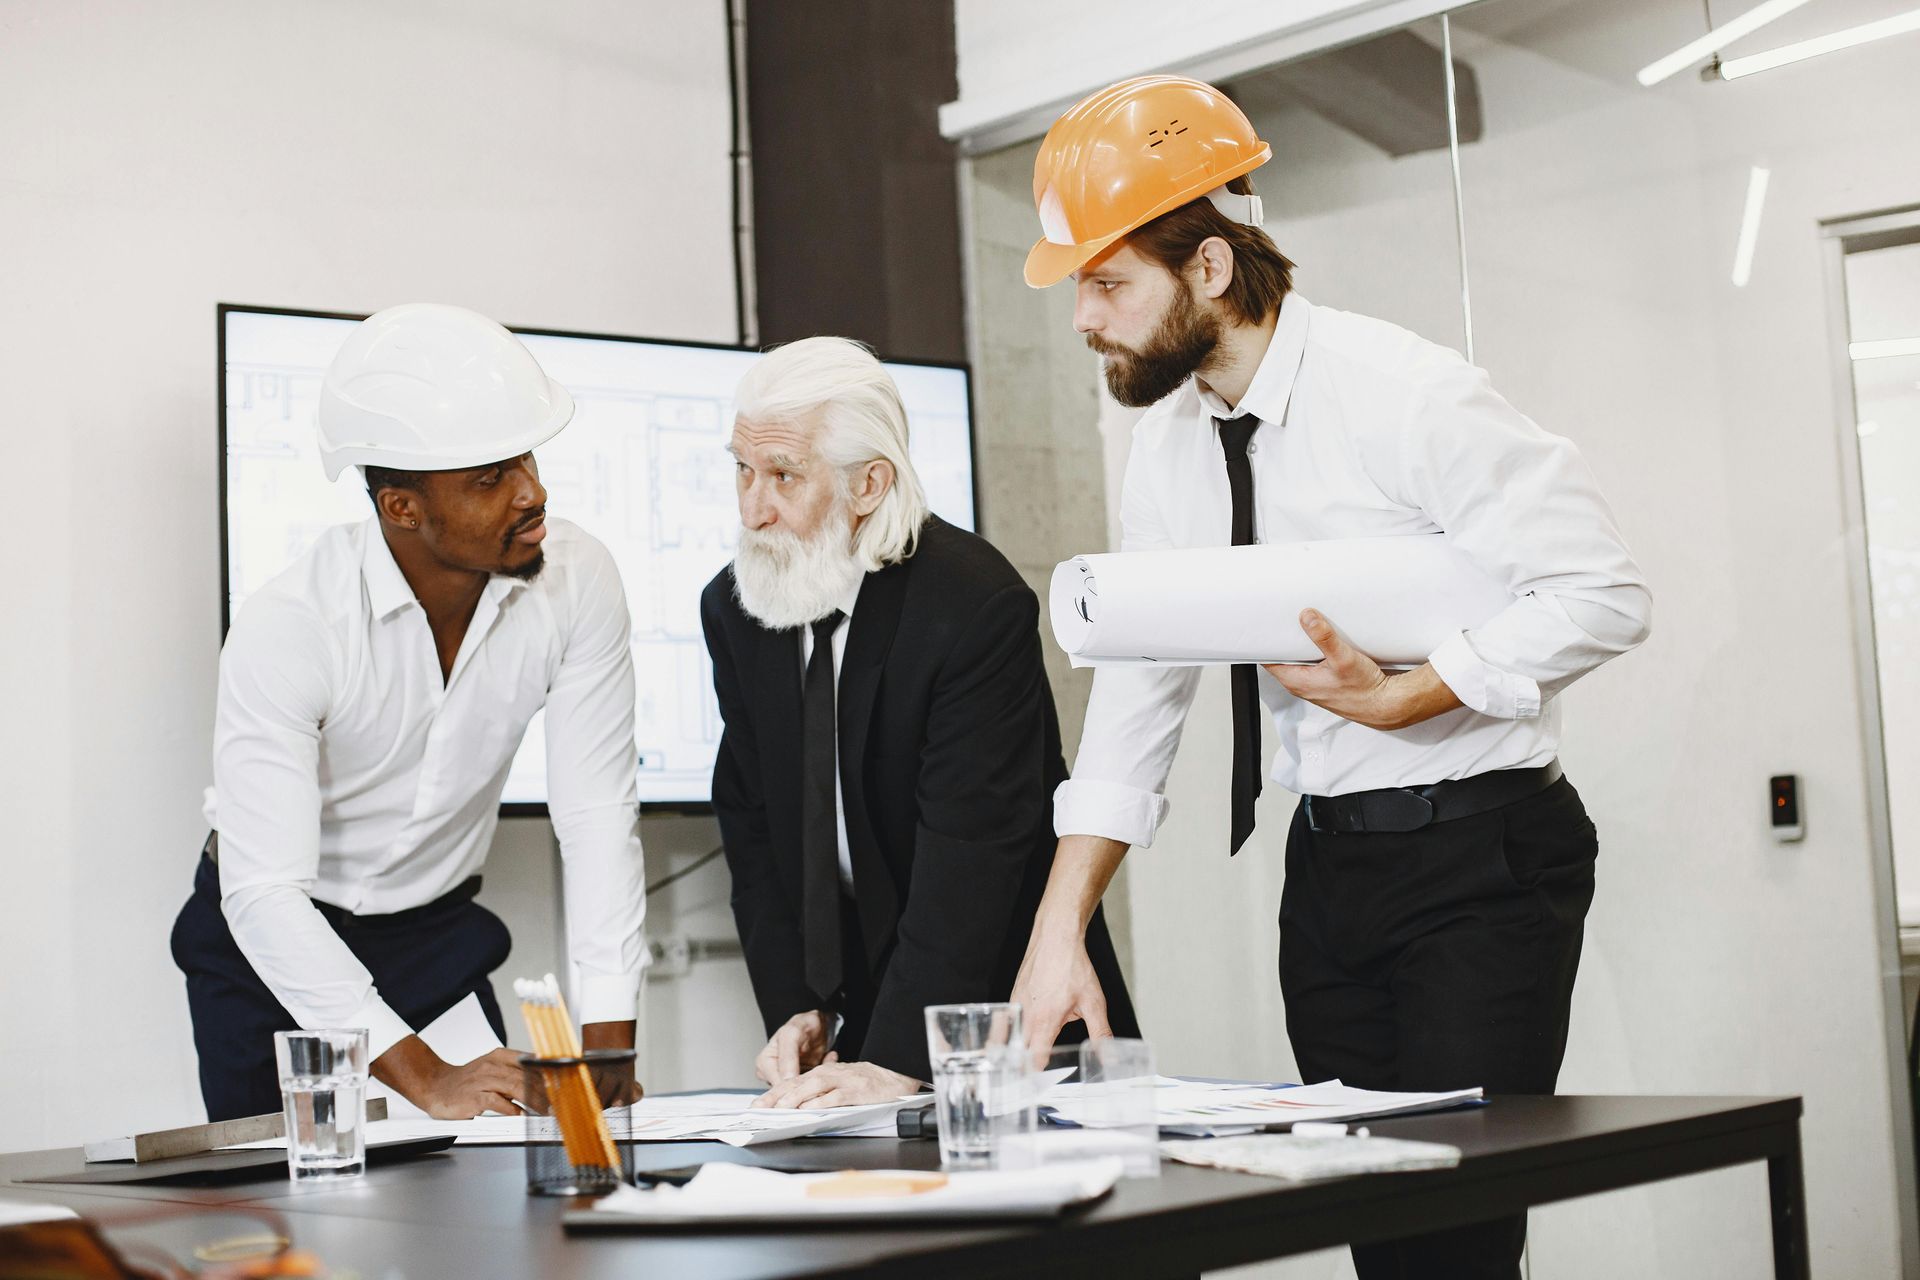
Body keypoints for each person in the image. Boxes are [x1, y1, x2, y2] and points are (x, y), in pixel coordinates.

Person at [1009, 76, 1652, 1278]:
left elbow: (1603, 590)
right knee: (1371, 1234)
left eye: (1107, 284)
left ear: (1206, 268)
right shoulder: (1167, 448)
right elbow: (1141, 690)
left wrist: (1429, 687)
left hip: (1484, 861)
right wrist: (1061, 930)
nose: (1085, 319)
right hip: (1331, 866)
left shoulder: (1406, 394)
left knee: (1451, 1248)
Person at [171, 303, 648, 1121]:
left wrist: (607, 1050)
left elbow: (598, 816)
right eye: (489, 477)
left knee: (502, 1195)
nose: (533, 492)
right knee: (295, 1224)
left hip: (433, 936)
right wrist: (426, 1078)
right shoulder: (294, 624)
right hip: (269, 950)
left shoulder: (578, 580)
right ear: (401, 508)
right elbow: (265, 895)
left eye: (526, 458)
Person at [700, 336, 1137, 1107]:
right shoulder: (735, 606)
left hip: (1004, 1018)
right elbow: (753, 818)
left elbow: (974, 851)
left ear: (869, 484)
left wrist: (902, 1057)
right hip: (862, 1023)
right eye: (742, 468)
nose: (751, 508)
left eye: (783, 476)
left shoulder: (971, 606)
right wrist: (798, 1004)